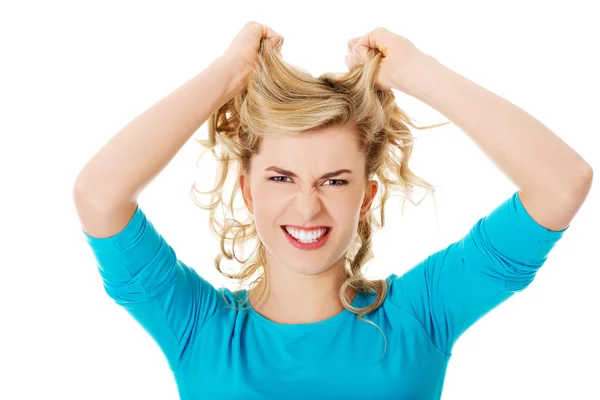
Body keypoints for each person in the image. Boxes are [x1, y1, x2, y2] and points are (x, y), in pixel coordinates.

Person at [73, 21, 593, 399]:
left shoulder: (419, 315)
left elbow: (561, 184)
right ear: (248, 192)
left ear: (365, 197)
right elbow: (99, 194)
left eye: (334, 180)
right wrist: (227, 73)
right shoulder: (198, 328)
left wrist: (419, 72)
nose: (307, 204)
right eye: (281, 178)